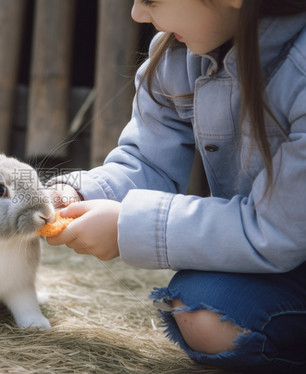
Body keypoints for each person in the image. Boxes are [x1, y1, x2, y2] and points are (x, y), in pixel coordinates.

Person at [47, 0, 306, 372]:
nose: (137, 14)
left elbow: (277, 228)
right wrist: (81, 194)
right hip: (282, 258)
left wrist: (126, 227)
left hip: (282, 241)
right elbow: (148, 161)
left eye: (151, 0)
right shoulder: (176, 55)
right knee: (202, 312)